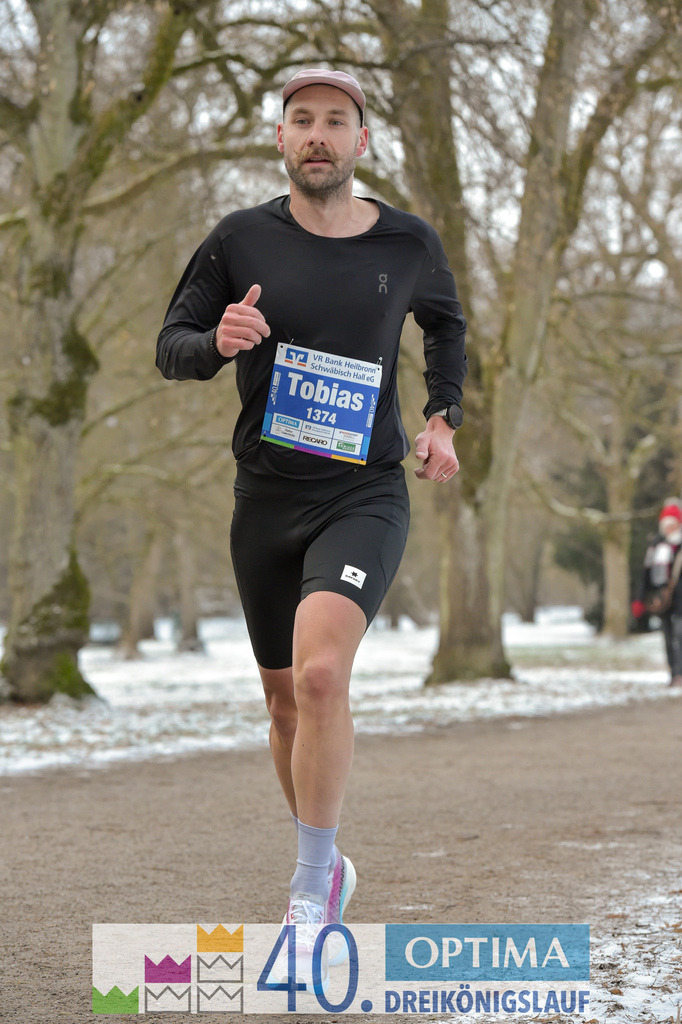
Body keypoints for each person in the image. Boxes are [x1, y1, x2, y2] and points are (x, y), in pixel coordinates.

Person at [156, 67, 467, 991]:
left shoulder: (409, 240)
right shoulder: (240, 237)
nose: (319, 134)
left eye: (337, 121)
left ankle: (306, 891)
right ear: (281, 139)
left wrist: (442, 417)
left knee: (325, 674)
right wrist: (219, 342)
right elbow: (173, 344)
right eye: (303, 121)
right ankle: (329, 862)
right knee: (286, 702)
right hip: (266, 499)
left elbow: (446, 329)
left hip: (362, 492)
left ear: (361, 142)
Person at [631, 499, 682, 687]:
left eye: (673, 524)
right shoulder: (656, 546)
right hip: (663, 601)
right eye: (666, 524)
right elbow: (646, 575)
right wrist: (639, 599)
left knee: (680, 634)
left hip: (681, 599)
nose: (669, 528)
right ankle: (674, 673)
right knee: (668, 638)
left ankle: (680, 673)